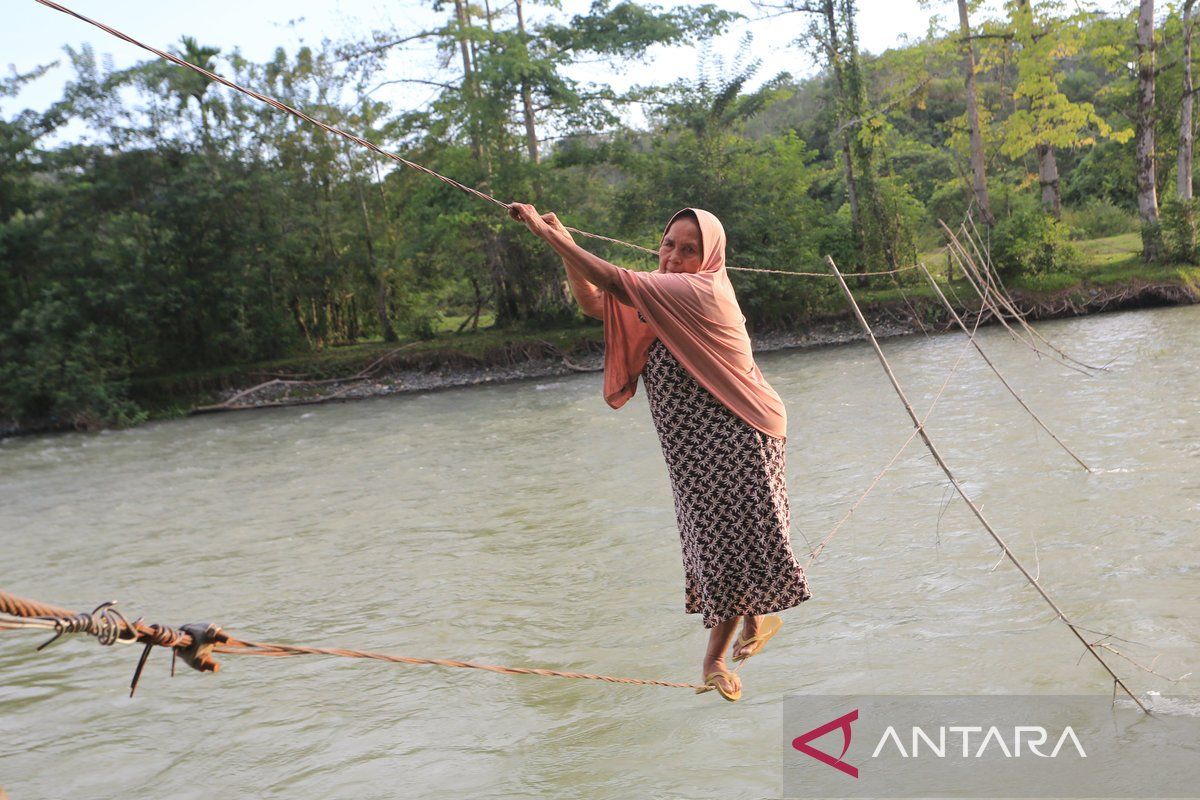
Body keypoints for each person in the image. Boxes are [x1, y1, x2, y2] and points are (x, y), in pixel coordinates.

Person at [508, 202, 812, 702]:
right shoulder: (658, 292)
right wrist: (559, 237)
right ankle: (759, 617)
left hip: (738, 428)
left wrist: (545, 233)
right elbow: (593, 299)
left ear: (709, 256)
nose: (673, 257)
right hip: (692, 442)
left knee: (725, 541)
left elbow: (609, 277)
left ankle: (715, 660)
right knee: (716, 536)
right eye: (669, 244)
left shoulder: (701, 290)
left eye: (689, 249)